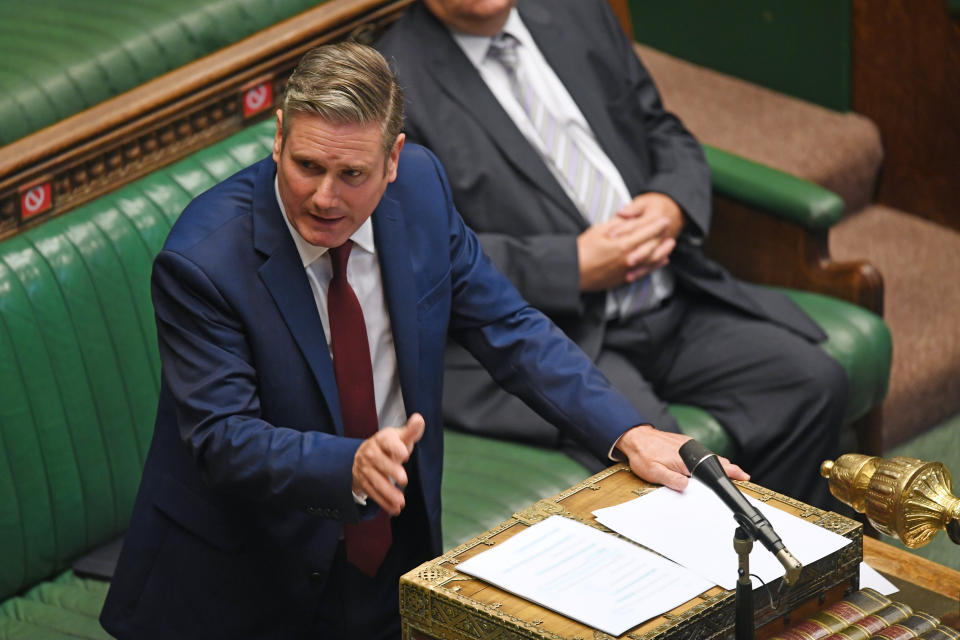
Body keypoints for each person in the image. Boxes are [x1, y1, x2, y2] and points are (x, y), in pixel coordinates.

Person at [99, 42, 745, 640]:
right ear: (277, 141)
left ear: (393, 160)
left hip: (392, 554)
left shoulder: (421, 193)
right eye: (306, 166)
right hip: (244, 588)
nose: (324, 196)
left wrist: (628, 433)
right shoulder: (204, 260)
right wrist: (346, 465)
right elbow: (223, 439)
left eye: (351, 174)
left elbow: (509, 329)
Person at [375, 0, 848, 509]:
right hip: (561, 332)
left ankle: (790, 571)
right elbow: (420, 247)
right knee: (669, 464)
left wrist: (672, 202)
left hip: (671, 294)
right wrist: (569, 266)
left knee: (812, 383)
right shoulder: (394, 80)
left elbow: (661, 128)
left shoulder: (574, 10)